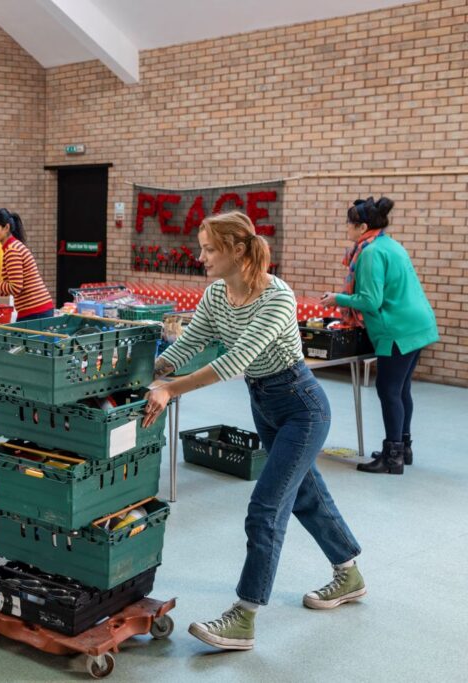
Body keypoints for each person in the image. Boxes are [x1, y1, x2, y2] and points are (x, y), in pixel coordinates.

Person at [144, 211, 363, 652]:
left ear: (238, 249)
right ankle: (349, 571)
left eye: (209, 249)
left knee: (266, 507)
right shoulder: (216, 296)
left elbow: (232, 362)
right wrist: (152, 368)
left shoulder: (277, 296)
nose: (201, 256)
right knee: (304, 494)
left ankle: (244, 616)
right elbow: (192, 343)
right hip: (264, 404)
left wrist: (170, 389)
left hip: (302, 406)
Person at [320, 196, 438, 475]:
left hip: (397, 329)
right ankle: (402, 449)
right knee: (401, 389)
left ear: (361, 227)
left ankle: (392, 457)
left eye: (349, 224)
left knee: (388, 390)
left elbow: (371, 301)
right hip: (417, 324)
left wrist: (337, 298)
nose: (346, 229)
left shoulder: (370, 253)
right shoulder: (390, 244)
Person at [0, 208, 54, 321]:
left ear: (6, 228)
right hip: (36, 309)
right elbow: (6, 289)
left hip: (35, 311)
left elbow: (15, 288)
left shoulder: (12, 250)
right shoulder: (11, 247)